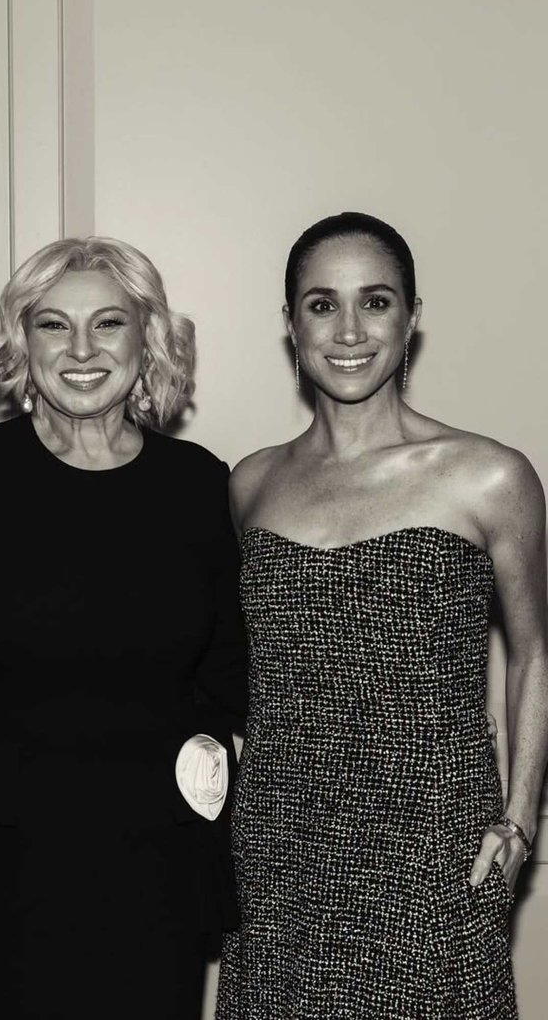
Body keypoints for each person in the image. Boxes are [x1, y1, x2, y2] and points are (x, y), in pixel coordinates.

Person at [216, 212, 548, 1019]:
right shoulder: (250, 484)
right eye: (322, 305)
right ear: (290, 325)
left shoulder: (488, 476)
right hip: (280, 845)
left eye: (377, 301)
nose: (350, 330)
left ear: (412, 316)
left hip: (433, 840)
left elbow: (536, 653)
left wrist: (519, 820)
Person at [0, 237, 247, 1019]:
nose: (83, 350)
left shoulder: (201, 486)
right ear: (20, 340)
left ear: (148, 336)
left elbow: (237, 678)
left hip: (155, 866)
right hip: (2, 862)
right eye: (53, 325)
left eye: (109, 323)